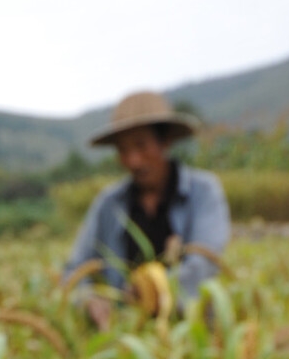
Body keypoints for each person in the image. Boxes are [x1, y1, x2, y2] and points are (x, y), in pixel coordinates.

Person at [63, 90, 230, 329]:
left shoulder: (203, 191)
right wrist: (89, 299)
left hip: (190, 329)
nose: (133, 161)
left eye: (141, 146)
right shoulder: (108, 204)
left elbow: (205, 262)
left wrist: (152, 290)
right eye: (123, 150)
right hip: (125, 332)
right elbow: (75, 270)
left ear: (165, 142)